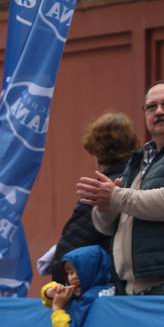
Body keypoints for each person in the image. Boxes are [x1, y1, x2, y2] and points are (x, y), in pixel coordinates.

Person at [78, 81, 164, 296]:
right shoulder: (140, 159)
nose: (159, 111)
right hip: (136, 290)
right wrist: (105, 206)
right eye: (151, 107)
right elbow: (107, 227)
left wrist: (116, 196)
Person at [43, 111, 138, 284]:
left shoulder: (98, 192)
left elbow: (68, 252)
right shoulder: (141, 182)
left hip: (104, 291)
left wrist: (57, 281)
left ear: (95, 150)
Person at [39, 245, 114, 327]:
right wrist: (49, 292)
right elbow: (50, 298)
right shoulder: (92, 289)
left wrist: (57, 309)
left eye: (78, 271)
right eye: (69, 272)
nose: (73, 277)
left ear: (92, 270)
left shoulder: (90, 297)